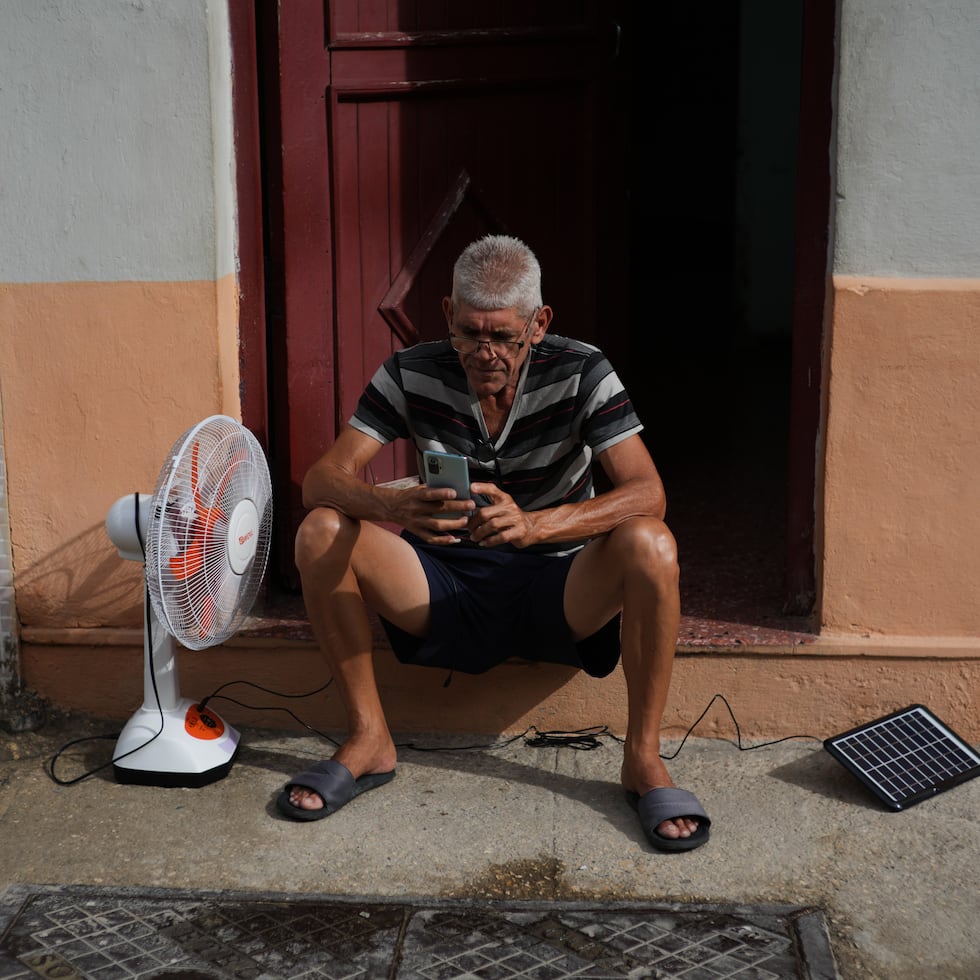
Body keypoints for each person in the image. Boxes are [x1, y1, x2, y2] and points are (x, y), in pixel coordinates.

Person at [276, 234, 710, 852]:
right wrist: (390, 504)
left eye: (504, 337)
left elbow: (648, 494)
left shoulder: (582, 369)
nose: (485, 353)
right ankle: (370, 738)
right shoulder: (412, 370)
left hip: (560, 585)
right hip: (446, 582)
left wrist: (537, 526)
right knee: (319, 528)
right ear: (447, 313)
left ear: (539, 324)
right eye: (469, 333)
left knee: (651, 543)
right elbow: (324, 477)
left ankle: (643, 760)